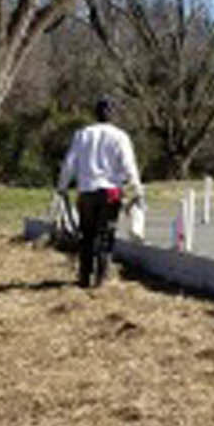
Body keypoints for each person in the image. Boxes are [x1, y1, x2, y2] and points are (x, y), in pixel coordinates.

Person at [57, 95, 143, 289]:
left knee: (86, 234)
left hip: (86, 191)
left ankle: (84, 276)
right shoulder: (120, 136)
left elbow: (69, 163)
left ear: (95, 113)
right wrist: (136, 188)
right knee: (106, 234)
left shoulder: (82, 135)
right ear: (112, 114)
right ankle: (102, 277)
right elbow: (129, 166)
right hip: (111, 192)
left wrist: (62, 186)